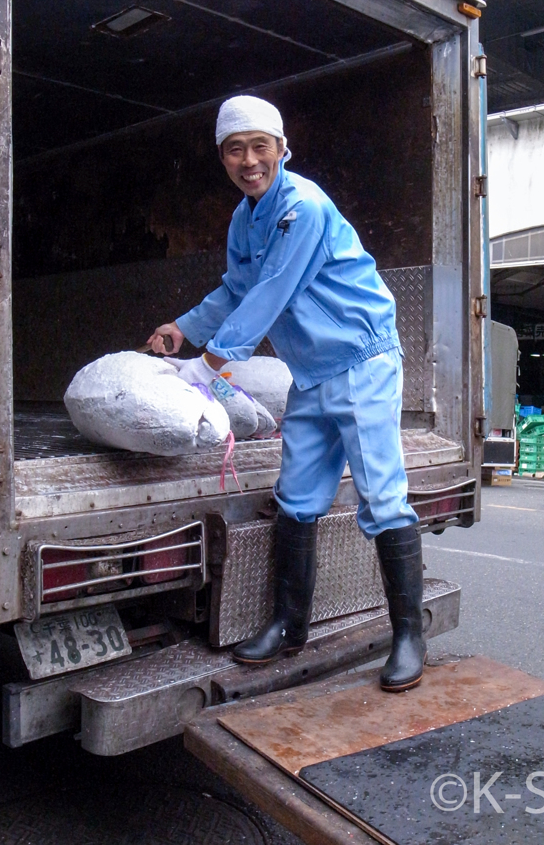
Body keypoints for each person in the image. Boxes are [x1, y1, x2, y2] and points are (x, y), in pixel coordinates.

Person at [148, 95, 425, 692]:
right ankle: (288, 625)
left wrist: (212, 363)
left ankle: (408, 636)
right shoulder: (245, 217)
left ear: (281, 148)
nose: (249, 160)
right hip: (311, 374)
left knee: (381, 495)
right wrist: (184, 327)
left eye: (259, 146)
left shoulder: (302, 207)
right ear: (222, 157)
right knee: (296, 496)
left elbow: (271, 291)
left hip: (362, 361)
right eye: (234, 149)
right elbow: (236, 288)